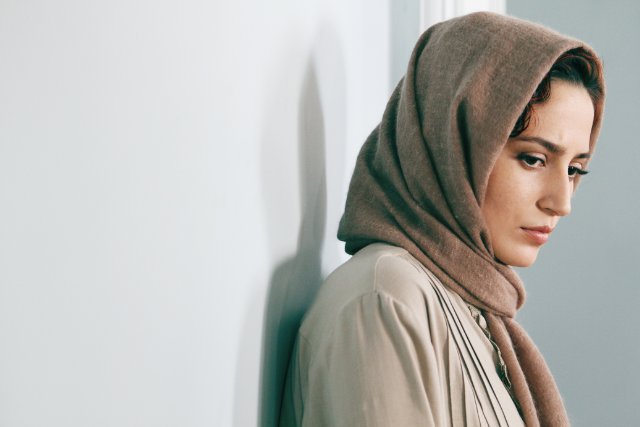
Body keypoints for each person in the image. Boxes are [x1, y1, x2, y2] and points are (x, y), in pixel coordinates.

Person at [279, 12, 605, 427]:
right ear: (453, 143)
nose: (562, 202)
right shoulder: (384, 299)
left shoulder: (476, 313)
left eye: (575, 169)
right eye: (533, 159)